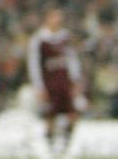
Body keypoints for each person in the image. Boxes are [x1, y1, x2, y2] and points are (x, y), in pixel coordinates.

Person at [28, 8, 86, 157]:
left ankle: (66, 144)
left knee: (72, 113)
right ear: (47, 19)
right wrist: (39, 87)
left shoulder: (65, 37)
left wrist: (76, 80)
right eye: (55, 17)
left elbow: (72, 60)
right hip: (49, 82)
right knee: (50, 115)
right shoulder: (39, 40)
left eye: (59, 17)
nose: (58, 20)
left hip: (64, 81)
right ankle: (50, 147)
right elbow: (34, 65)